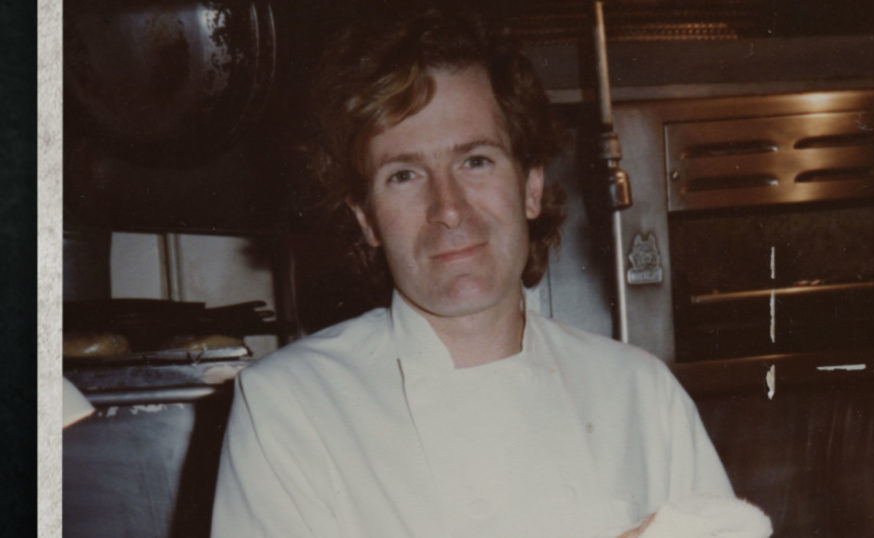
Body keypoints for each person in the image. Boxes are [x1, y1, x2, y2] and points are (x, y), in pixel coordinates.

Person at [211, 6, 770, 537]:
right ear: (366, 219)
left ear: (530, 186)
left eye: (475, 161)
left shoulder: (641, 394)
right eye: (404, 175)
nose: (448, 208)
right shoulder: (289, 410)